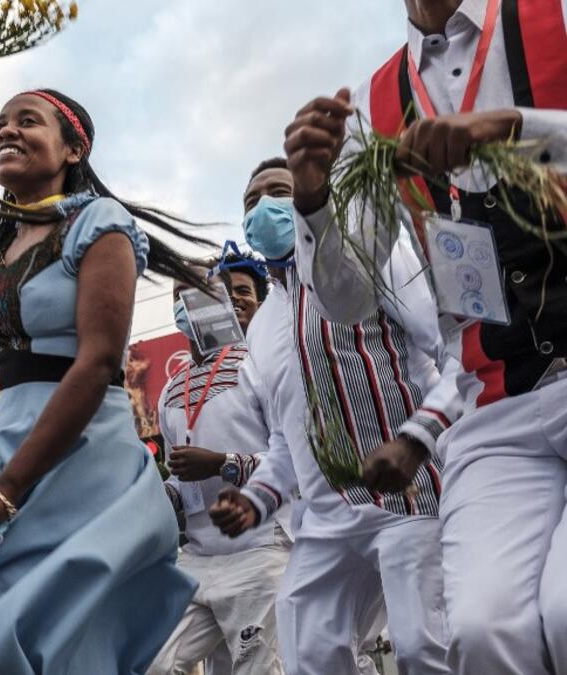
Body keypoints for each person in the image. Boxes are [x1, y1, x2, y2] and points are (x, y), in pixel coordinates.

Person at [284, 1, 567, 671]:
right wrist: (315, 203)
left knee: (561, 610)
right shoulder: (372, 107)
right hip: (499, 404)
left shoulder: (553, 16)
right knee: (482, 629)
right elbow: (348, 296)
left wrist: (521, 127)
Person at [0, 44, 199, 674]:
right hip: (5, 443)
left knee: (40, 642)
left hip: (77, 456)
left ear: (73, 151)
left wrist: (8, 491)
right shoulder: (1, 243)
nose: (6, 131)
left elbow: (98, 363)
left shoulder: (100, 223)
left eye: (26, 121)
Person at [210, 159, 459, 675]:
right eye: (250, 203)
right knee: (308, 652)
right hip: (323, 522)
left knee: (423, 649)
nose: (263, 208)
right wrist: (256, 498)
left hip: (407, 497)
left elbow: (446, 351)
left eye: (277, 192)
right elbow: (284, 437)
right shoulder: (260, 329)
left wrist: (419, 438)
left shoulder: (366, 256)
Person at [149, 260, 290, 675]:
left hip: (259, 550)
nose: (185, 301)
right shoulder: (170, 391)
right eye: (177, 294)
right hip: (196, 558)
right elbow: (179, 472)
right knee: (154, 664)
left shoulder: (260, 365)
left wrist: (221, 465)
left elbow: (291, 456)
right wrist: (166, 493)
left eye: (196, 290)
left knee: (258, 670)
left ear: (223, 299)